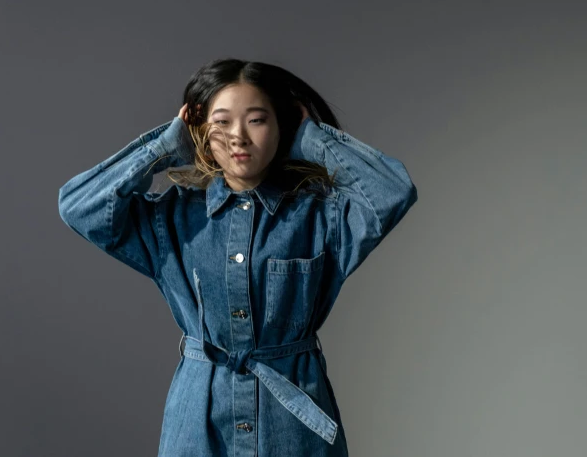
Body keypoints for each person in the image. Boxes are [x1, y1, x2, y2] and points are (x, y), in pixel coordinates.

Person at [57, 58, 418, 456]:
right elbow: (79, 207)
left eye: (257, 120)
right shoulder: (171, 219)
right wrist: (165, 147)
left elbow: (392, 192)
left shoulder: (321, 216)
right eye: (222, 122)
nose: (238, 138)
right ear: (199, 130)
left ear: (281, 126)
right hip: (198, 421)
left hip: (292, 427)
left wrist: (313, 140)